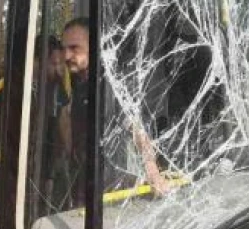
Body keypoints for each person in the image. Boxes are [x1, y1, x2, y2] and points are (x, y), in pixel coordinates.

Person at [59, 17, 174, 205]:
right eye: (64, 48)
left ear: (93, 47)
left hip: (110, 192)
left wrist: (153, 173)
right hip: (84, 185)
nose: (66, 55)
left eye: (74, 48)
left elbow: (137, 127)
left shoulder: (109, 86)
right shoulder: (79, 87)